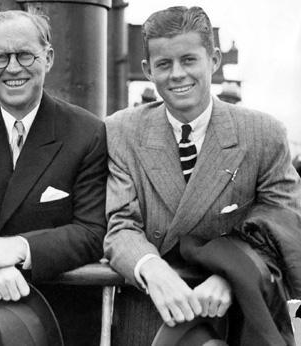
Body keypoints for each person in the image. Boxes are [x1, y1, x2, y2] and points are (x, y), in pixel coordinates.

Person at [104, 6, 301, 345]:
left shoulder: (263, 134)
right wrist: (150, 267)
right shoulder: (120, 131)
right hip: (149, 314)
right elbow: (120, 224)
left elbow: (283, 225)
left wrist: (234, 274)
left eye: (189, 60)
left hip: (239, 316)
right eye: (164, 64)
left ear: (214, 59)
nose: (177, 74)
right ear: (148, 70)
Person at [0, 10, 107, 345]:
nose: (13, 68)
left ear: (49, 57)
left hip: (62, 319)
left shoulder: (87, 132)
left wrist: (15, 249)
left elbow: (92, 231)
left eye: (25, 54)